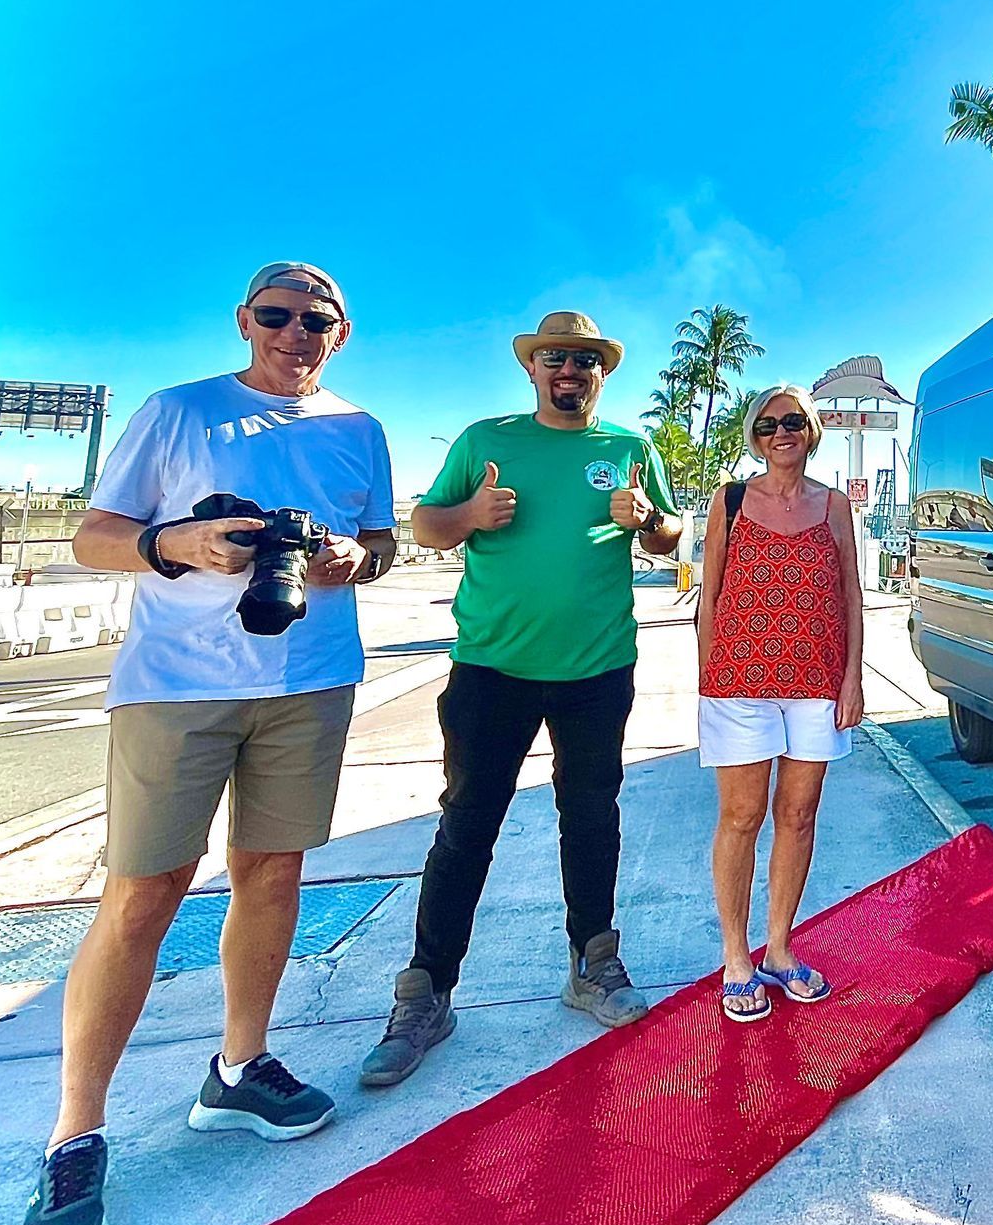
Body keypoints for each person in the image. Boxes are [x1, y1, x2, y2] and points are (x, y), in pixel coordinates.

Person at [10, 263, 395, 1225]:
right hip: (177, 684)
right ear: (244, 321)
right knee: (144, 893)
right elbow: (93, 538)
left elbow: (382, 540)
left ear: (341, 333)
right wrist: (175, 541)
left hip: (311, 677)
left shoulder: (359, 428)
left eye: (316, 320)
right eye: (276, 315)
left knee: (273, 873)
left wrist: (354, 559)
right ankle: (75, 1135)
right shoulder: (178, 411)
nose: (295, 333)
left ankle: (240, 1066)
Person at [360, 311, 682, 1087]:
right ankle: (427, 992)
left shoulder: (630, 448)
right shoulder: (485, 441)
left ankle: (593, 964)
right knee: (467, 826)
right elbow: (426, 525)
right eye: (554, 358)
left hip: (597, 669)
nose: (569, 370)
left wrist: (650, 522)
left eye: (583, 359)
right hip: (491, 670)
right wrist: (470, 516)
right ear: (532, 369)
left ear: (601, 372)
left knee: (592, 817)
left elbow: (671, 533)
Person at [697, 384, 864, 1023]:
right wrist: (708, 677)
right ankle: (736, 958)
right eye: (767, 425)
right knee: (741, 817)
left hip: (817, 684)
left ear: (811, 431)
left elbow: (851, 594)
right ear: (754, 437)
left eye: (792, 421)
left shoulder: (835, 505)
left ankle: (780, 948)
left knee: (798, 815)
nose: (781, 433)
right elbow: (710, 595)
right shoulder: (731, 501)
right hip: (739, 683)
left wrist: (851, 678)